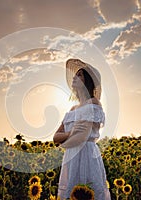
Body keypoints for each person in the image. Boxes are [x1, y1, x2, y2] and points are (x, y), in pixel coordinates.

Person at [53, 58, 111, 200]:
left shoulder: (93, 103)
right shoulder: (72, 109)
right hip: (71, 158)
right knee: (71, 193)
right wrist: (71, 133)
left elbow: (80, 139)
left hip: (86, 156)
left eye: (80, 75)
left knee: (88, 191)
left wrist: (65, 139)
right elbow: (55, 138)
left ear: (89, 81)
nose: (74, 77)